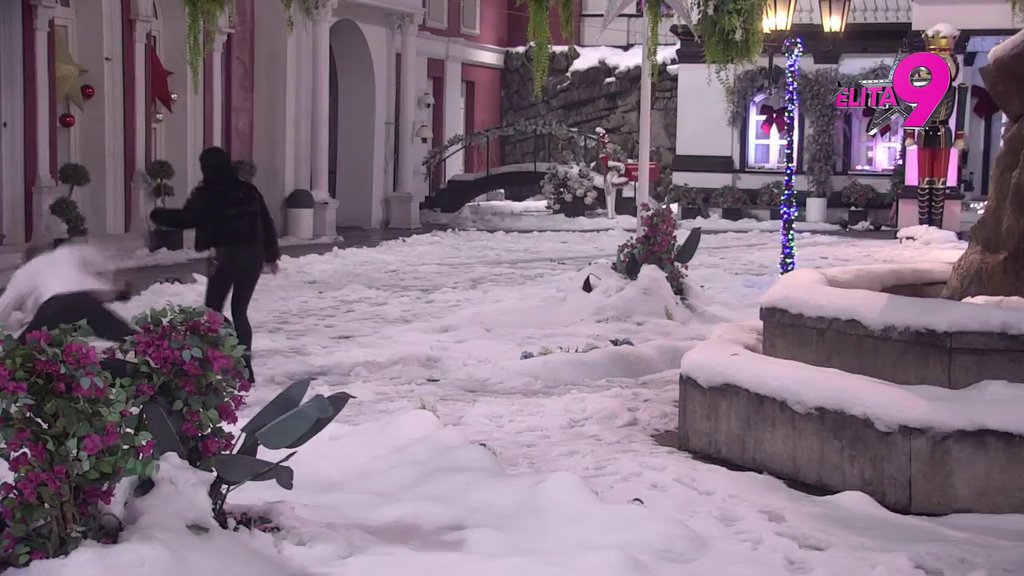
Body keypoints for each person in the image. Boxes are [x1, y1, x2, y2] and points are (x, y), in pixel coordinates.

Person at [149, 147, 281, 381]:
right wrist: (271, 255)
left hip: (229, 254)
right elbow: (266, 222)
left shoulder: (209, 192)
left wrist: (158, 215)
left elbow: (189, 218)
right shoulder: (247, 190)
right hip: (253, 255)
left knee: (212, 310)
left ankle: (220, 358)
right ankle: (244, 367)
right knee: (240, 311)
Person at [0, 240, 135, 342]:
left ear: (26, 259)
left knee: (20, 352)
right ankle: (149, 353)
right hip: (85, 301)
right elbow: (95, 257)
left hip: (54, 307)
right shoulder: (66, 253)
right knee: (126, 336)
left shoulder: (25, 271)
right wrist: (108, 286)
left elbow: (5, 304)